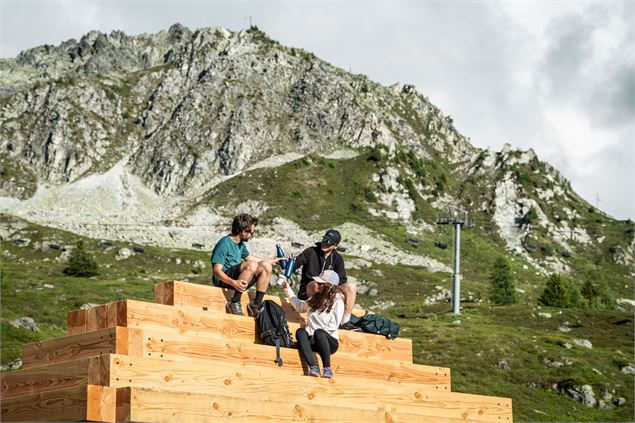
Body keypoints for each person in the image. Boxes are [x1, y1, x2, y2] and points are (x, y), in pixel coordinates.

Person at [211, 213, 278, 316]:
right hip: (224, 280)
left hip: (238, 280)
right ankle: (234, 302)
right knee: (251, 265)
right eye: (252, 232)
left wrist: (271, 261)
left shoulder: (240, 244)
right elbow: (216, 271)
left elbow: (249, 257)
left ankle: (256, 305)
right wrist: (233, 282)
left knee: (266, 266)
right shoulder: (224, 243)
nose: (252, 235)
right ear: (243, 232)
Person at [281, 270, 344, 378]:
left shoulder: (338, 301)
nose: (317, 285)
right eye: (317, 282)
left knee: (320, 333)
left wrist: (315, 335)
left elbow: (333, 325)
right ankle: (314, 367)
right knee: (300, 332)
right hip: (313, 339)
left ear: (329, 286)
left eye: (321, 283)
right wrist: (287, 288)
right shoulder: (315, 297)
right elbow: (300, 306)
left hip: (329, 341)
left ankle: (327, 369)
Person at [293, 229, 357, 328]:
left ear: (335, 246)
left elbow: (342, 279)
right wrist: (285, 262)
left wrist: (330, 286)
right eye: (324, 239)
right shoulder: (311, 251)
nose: (324, 243)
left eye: (328, 242)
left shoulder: (337, 258)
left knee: (351, 287)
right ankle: (316, 315)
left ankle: (344, 322)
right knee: (316, 284)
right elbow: (295, 263)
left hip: (328, 292)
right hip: (308, 291)